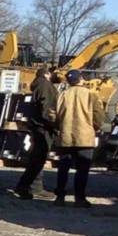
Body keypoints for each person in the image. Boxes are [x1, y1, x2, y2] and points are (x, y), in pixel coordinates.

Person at [51, 69, 106, 207]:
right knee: (82, 169)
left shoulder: (62, 95)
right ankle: (79, 198)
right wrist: (95, 127)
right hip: (84, 137)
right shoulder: (91, 95)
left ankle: (60, 197)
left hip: (66, 136)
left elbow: (54, 115)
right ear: (81, 79)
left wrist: (60, 126)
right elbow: (98, 115)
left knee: (63, 168)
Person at [12, 67, 59, 199]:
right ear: (46, 74)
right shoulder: (46, 86)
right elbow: (47, 109)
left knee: (36, 159)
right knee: (38, 159)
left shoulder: (38, 85)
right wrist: (55, 125)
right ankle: (30, 187)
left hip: (37, 126)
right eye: (52, 73)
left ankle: (28, 187)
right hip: (43, 127)